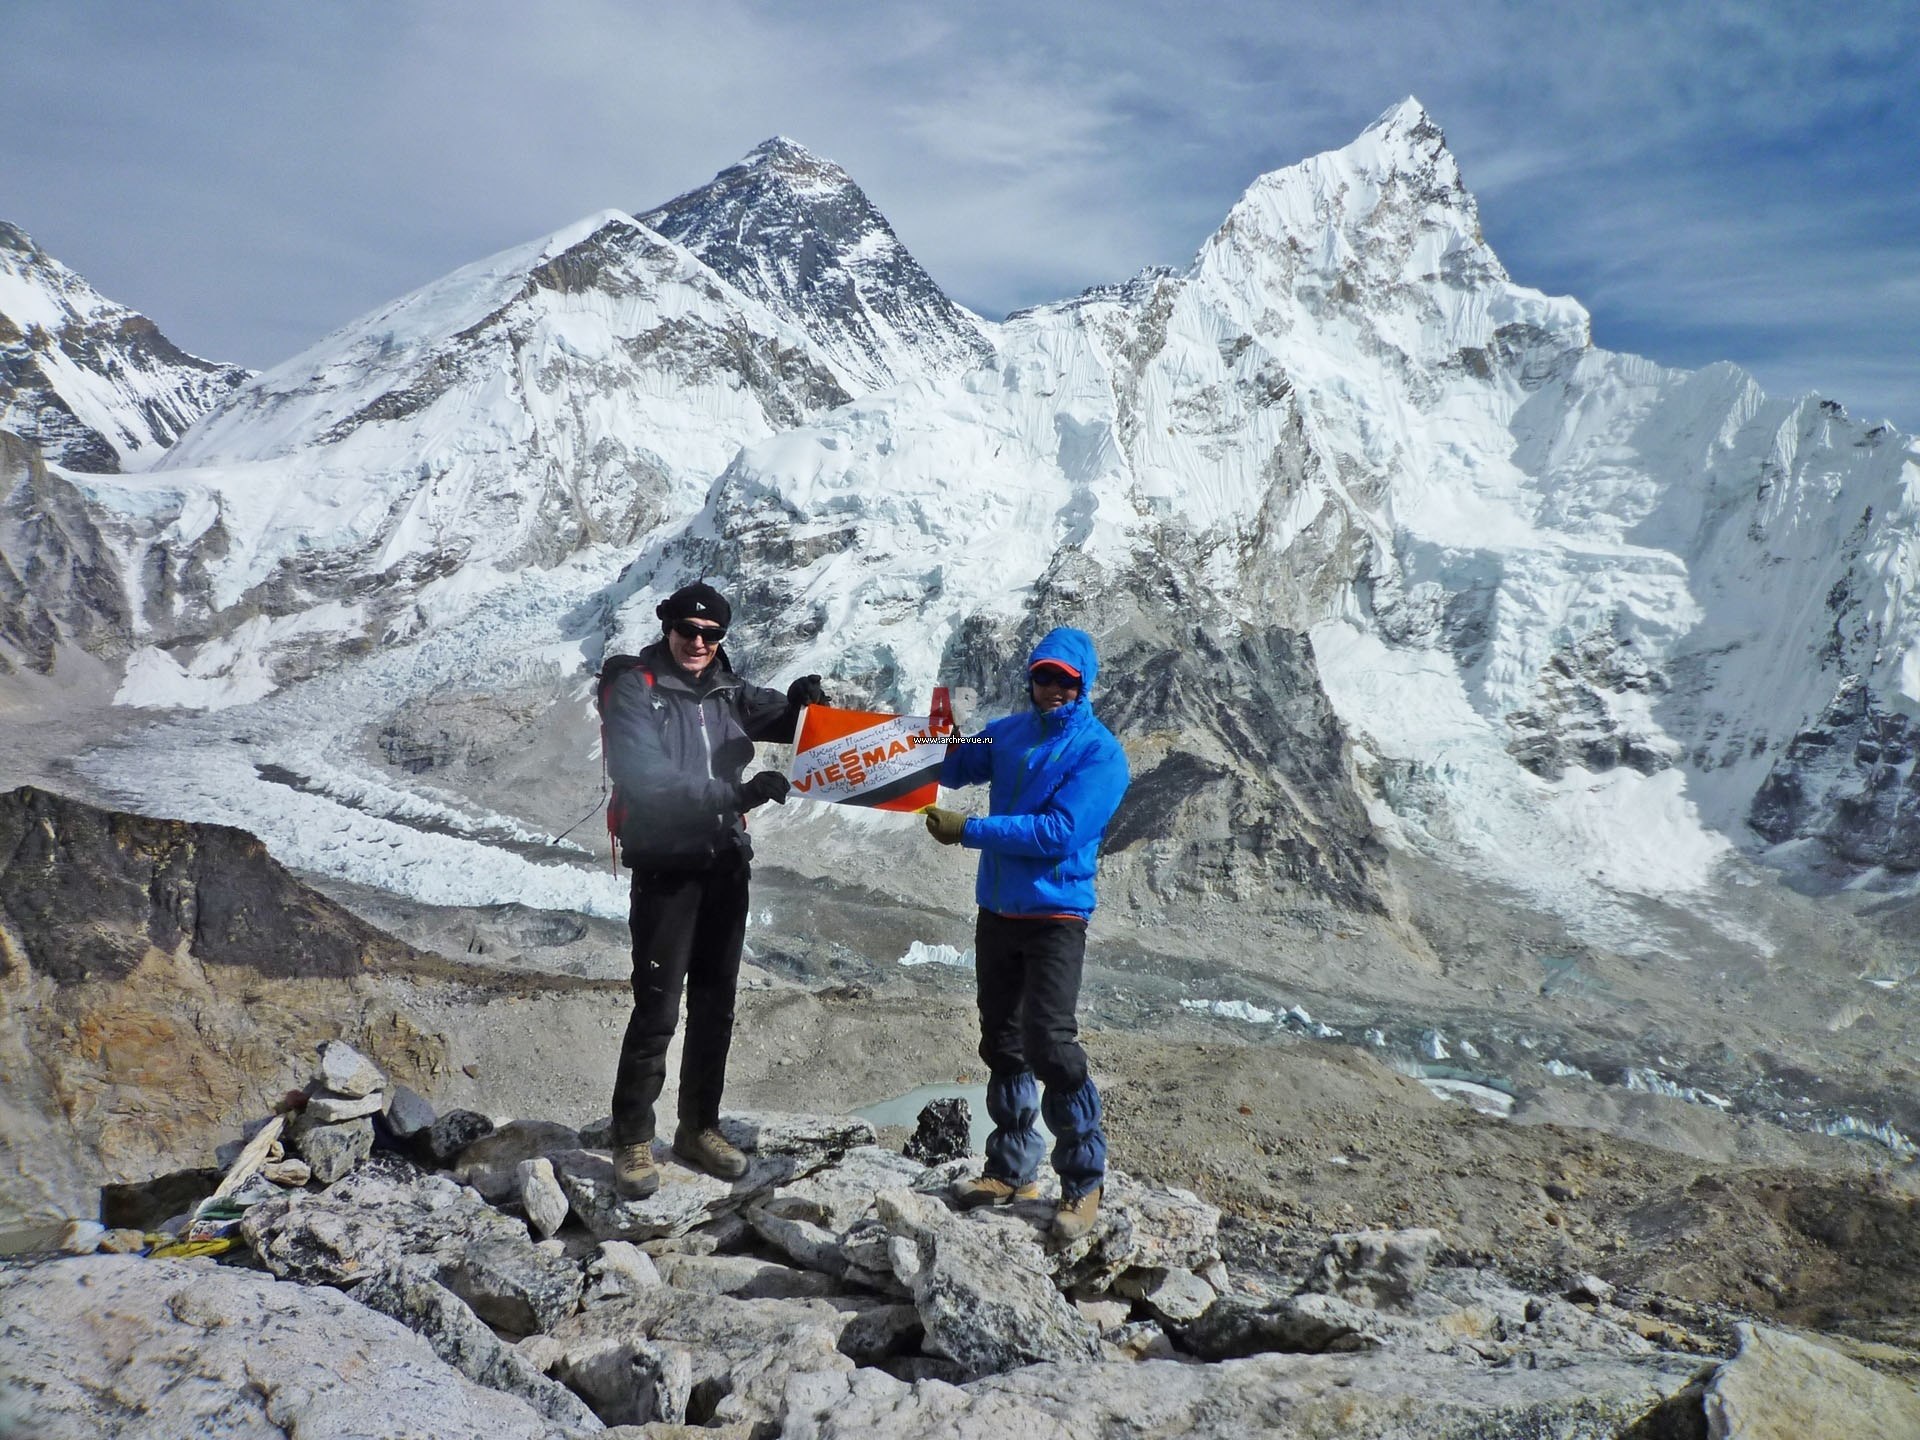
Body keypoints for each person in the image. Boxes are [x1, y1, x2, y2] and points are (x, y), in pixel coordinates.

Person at [597, 581, 827, 1197]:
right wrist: (735, 795)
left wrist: (805, 708)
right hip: (667, 866)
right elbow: (642, 777)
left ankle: (698, 1127)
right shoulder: (634, 689)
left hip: (724, 861)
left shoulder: (728, 689)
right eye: (687, 630)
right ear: (667, 626)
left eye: (711, 634)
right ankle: (633, 1140)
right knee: (658, 1007)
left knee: (716, 1004)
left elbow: (785, 720)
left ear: (722, 638)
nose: (698, 642)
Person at [921, 626, 1130, 1242]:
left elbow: (1057, 834)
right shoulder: (1006, 731)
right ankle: (1012, 1171)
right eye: (1042, 676)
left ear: (1082, 683)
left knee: (1052, 1043)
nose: (1050, 688)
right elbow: (956, 764)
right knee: (1004, 1042)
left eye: (1063, 679)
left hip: (1057, 914)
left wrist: (971, 832)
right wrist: (941, 731)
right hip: (999, 910)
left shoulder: (1100, 753)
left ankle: (1083, 1182)